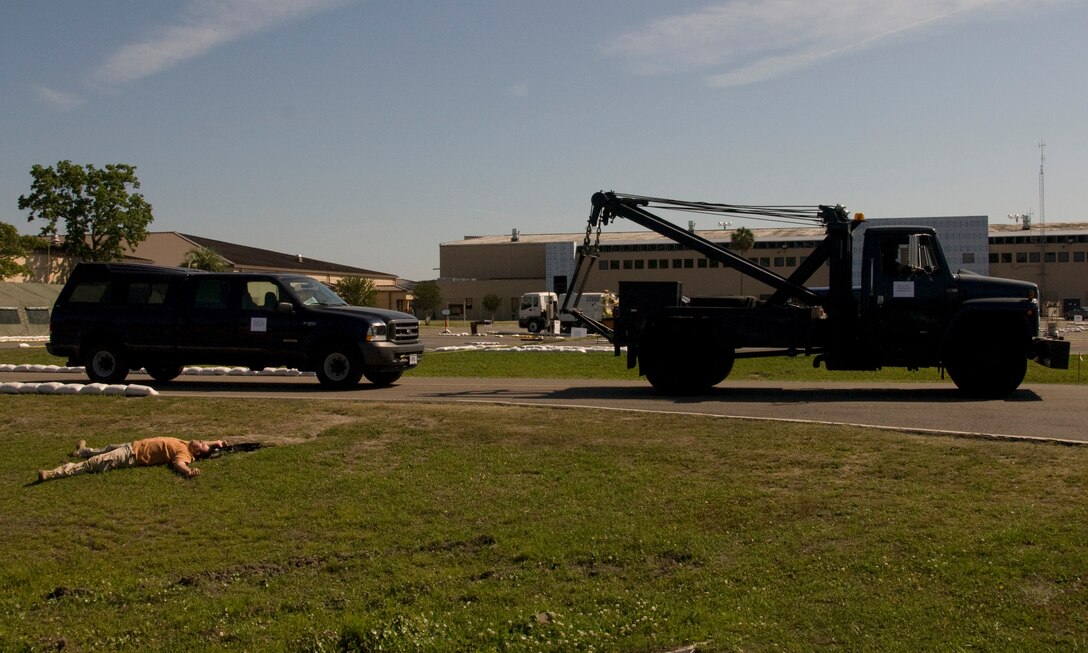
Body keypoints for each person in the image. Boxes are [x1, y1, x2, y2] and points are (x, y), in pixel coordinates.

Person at [36, 437, 226, 483]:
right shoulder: (186, 443)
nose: (200, 441)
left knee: (93, 464)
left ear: (198, 453)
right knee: (107, 448)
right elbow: (206, 445)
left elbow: (178, 464)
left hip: (131, 456)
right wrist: (216, 442)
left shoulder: (186, 454)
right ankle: (83, 451)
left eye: (202, 444)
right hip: (132, 445)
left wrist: (188, 472)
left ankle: (53, 473)